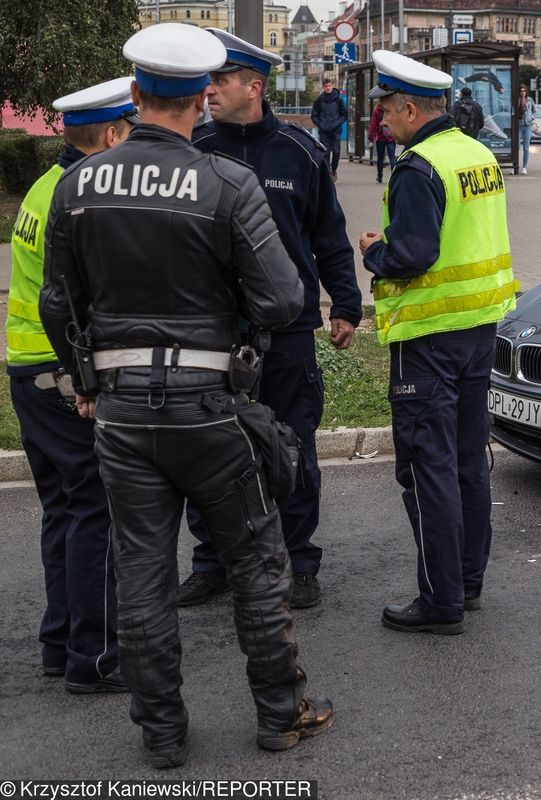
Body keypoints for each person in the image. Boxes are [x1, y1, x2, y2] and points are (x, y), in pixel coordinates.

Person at [40, 23, 332, 769]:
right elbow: (282, 300)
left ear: (136, 95)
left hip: (123, 412)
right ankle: (279, 714)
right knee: (257, 563)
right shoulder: (227, 184)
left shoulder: (78, 185)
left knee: (141, 571)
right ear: (202, 98)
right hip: (211, 407)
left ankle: (162, 734)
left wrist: (86, 380)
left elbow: (54, 303)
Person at [184, 29, 362, 610]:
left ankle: (298, 561)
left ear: (253, 87)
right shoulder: (194, 148)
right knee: (208, 449)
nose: (208, 90)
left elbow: (329, 238)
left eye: (220, 80)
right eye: (206, 80)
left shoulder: (301, 152)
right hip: (212, 328)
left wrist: (346, 306)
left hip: (284, 332)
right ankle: (211, 560)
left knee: (292, 447)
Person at [357, 50, 517, 636]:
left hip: (429, 339)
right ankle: (468, 582)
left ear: (407, 108)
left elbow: (415, 254)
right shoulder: (477, 154)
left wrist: (375, 250)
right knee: (470, 462)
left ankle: (441, 600)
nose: (381, 120)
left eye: (385, 110)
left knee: (429, 469)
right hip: (479, 329)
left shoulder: (418, 167)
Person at [6, 78, 136, 695]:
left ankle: (60, 642)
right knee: (95, 512)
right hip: (62, 375)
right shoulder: (81, 196)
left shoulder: (45, 185)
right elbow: (82, 297)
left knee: (62, 509)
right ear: (111, 136)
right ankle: (97, 656)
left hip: (28, 371)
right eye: (129, 134)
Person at [310, 76, 345, 180]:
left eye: (329, 85)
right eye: (326, 86)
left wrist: (337, 123)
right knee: (325, 154)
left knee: (336, 151)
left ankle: (334, 169)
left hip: (336, 131)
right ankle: (328, 173)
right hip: (324, 132)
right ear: (323, 88)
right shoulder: (319, 100)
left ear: (332, 86)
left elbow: (344, 114)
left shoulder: (338, 99)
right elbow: (314, 115)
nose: (328, 88)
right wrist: (321, 125)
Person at [369, 101, 398, 183]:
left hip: (380, 137)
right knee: (392, 158)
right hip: (391, 137)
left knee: (380, 158)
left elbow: (373, 125)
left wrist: (371, 139)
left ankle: (379, 175)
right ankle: (394, 177)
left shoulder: (377, 111)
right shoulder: (392, 109)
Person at [516, 84, 534, 175]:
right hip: (518, 125)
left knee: (526, 148)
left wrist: (532, 118)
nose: (523, 93)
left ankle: (524, 167)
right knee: (516, 147)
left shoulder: (529, 100)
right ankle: (514, 166)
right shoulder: (516, 100)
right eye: (521, 91)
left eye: (524, 91)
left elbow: (534, 110)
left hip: (527, 125)